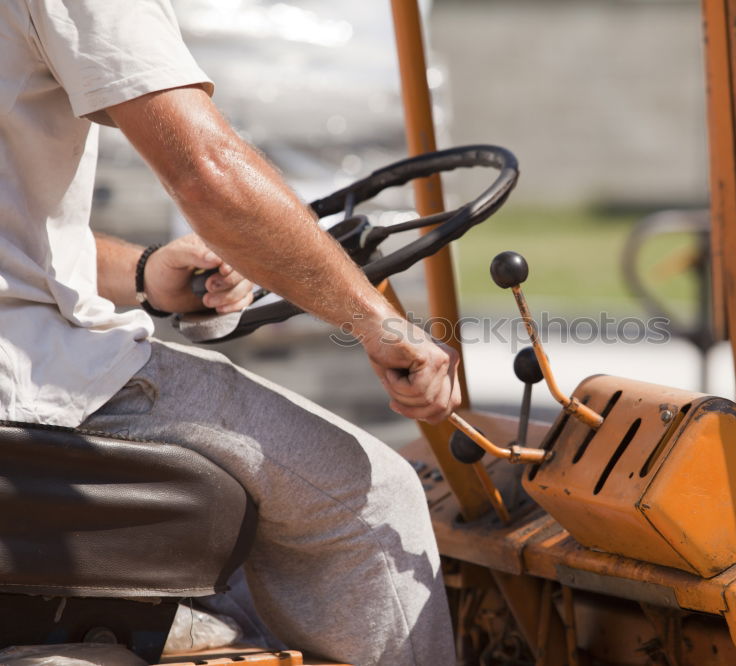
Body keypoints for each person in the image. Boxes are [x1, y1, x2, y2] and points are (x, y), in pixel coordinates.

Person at [0, 1, 460, 664]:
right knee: (374, 501)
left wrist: (147, 273)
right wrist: (378, 322)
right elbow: (206, 169)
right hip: (31, 373)